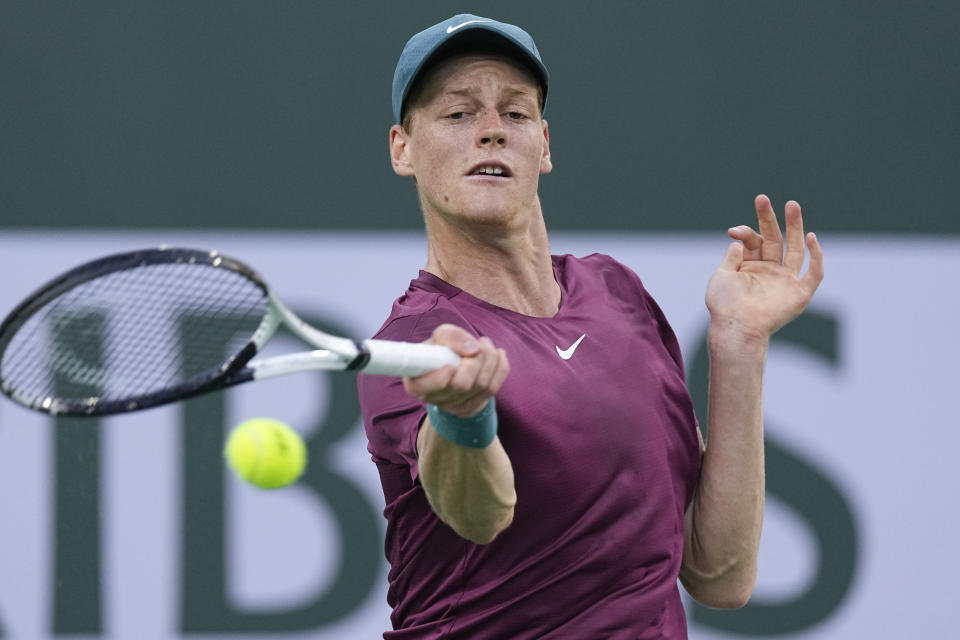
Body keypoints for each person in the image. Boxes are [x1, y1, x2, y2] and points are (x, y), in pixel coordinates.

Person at [357, 13, 824, 639]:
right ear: (402, 148)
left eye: (515, 114)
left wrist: (738, 343)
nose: (492, 131)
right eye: (458, 114)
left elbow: (719, 574)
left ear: (544, 145)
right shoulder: (412, 346)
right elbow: (479, 514)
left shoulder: (616, 292)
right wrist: (462, 417)